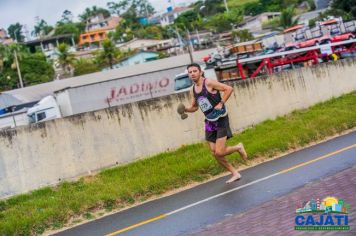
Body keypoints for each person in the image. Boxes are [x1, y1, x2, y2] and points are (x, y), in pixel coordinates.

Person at [180, 63, 248, 184]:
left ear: (200, 72)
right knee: (214, 152)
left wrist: (221, 102)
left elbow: (228, 89)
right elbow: (195, 107)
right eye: (190, 72)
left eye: (194, 71)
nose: (192, 74)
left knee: (220, 151)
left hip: (220, 118)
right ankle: (235, 173)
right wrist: (185, 109)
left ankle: (238, 147)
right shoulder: (193, 90)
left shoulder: (209, 82)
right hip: (209, 121)